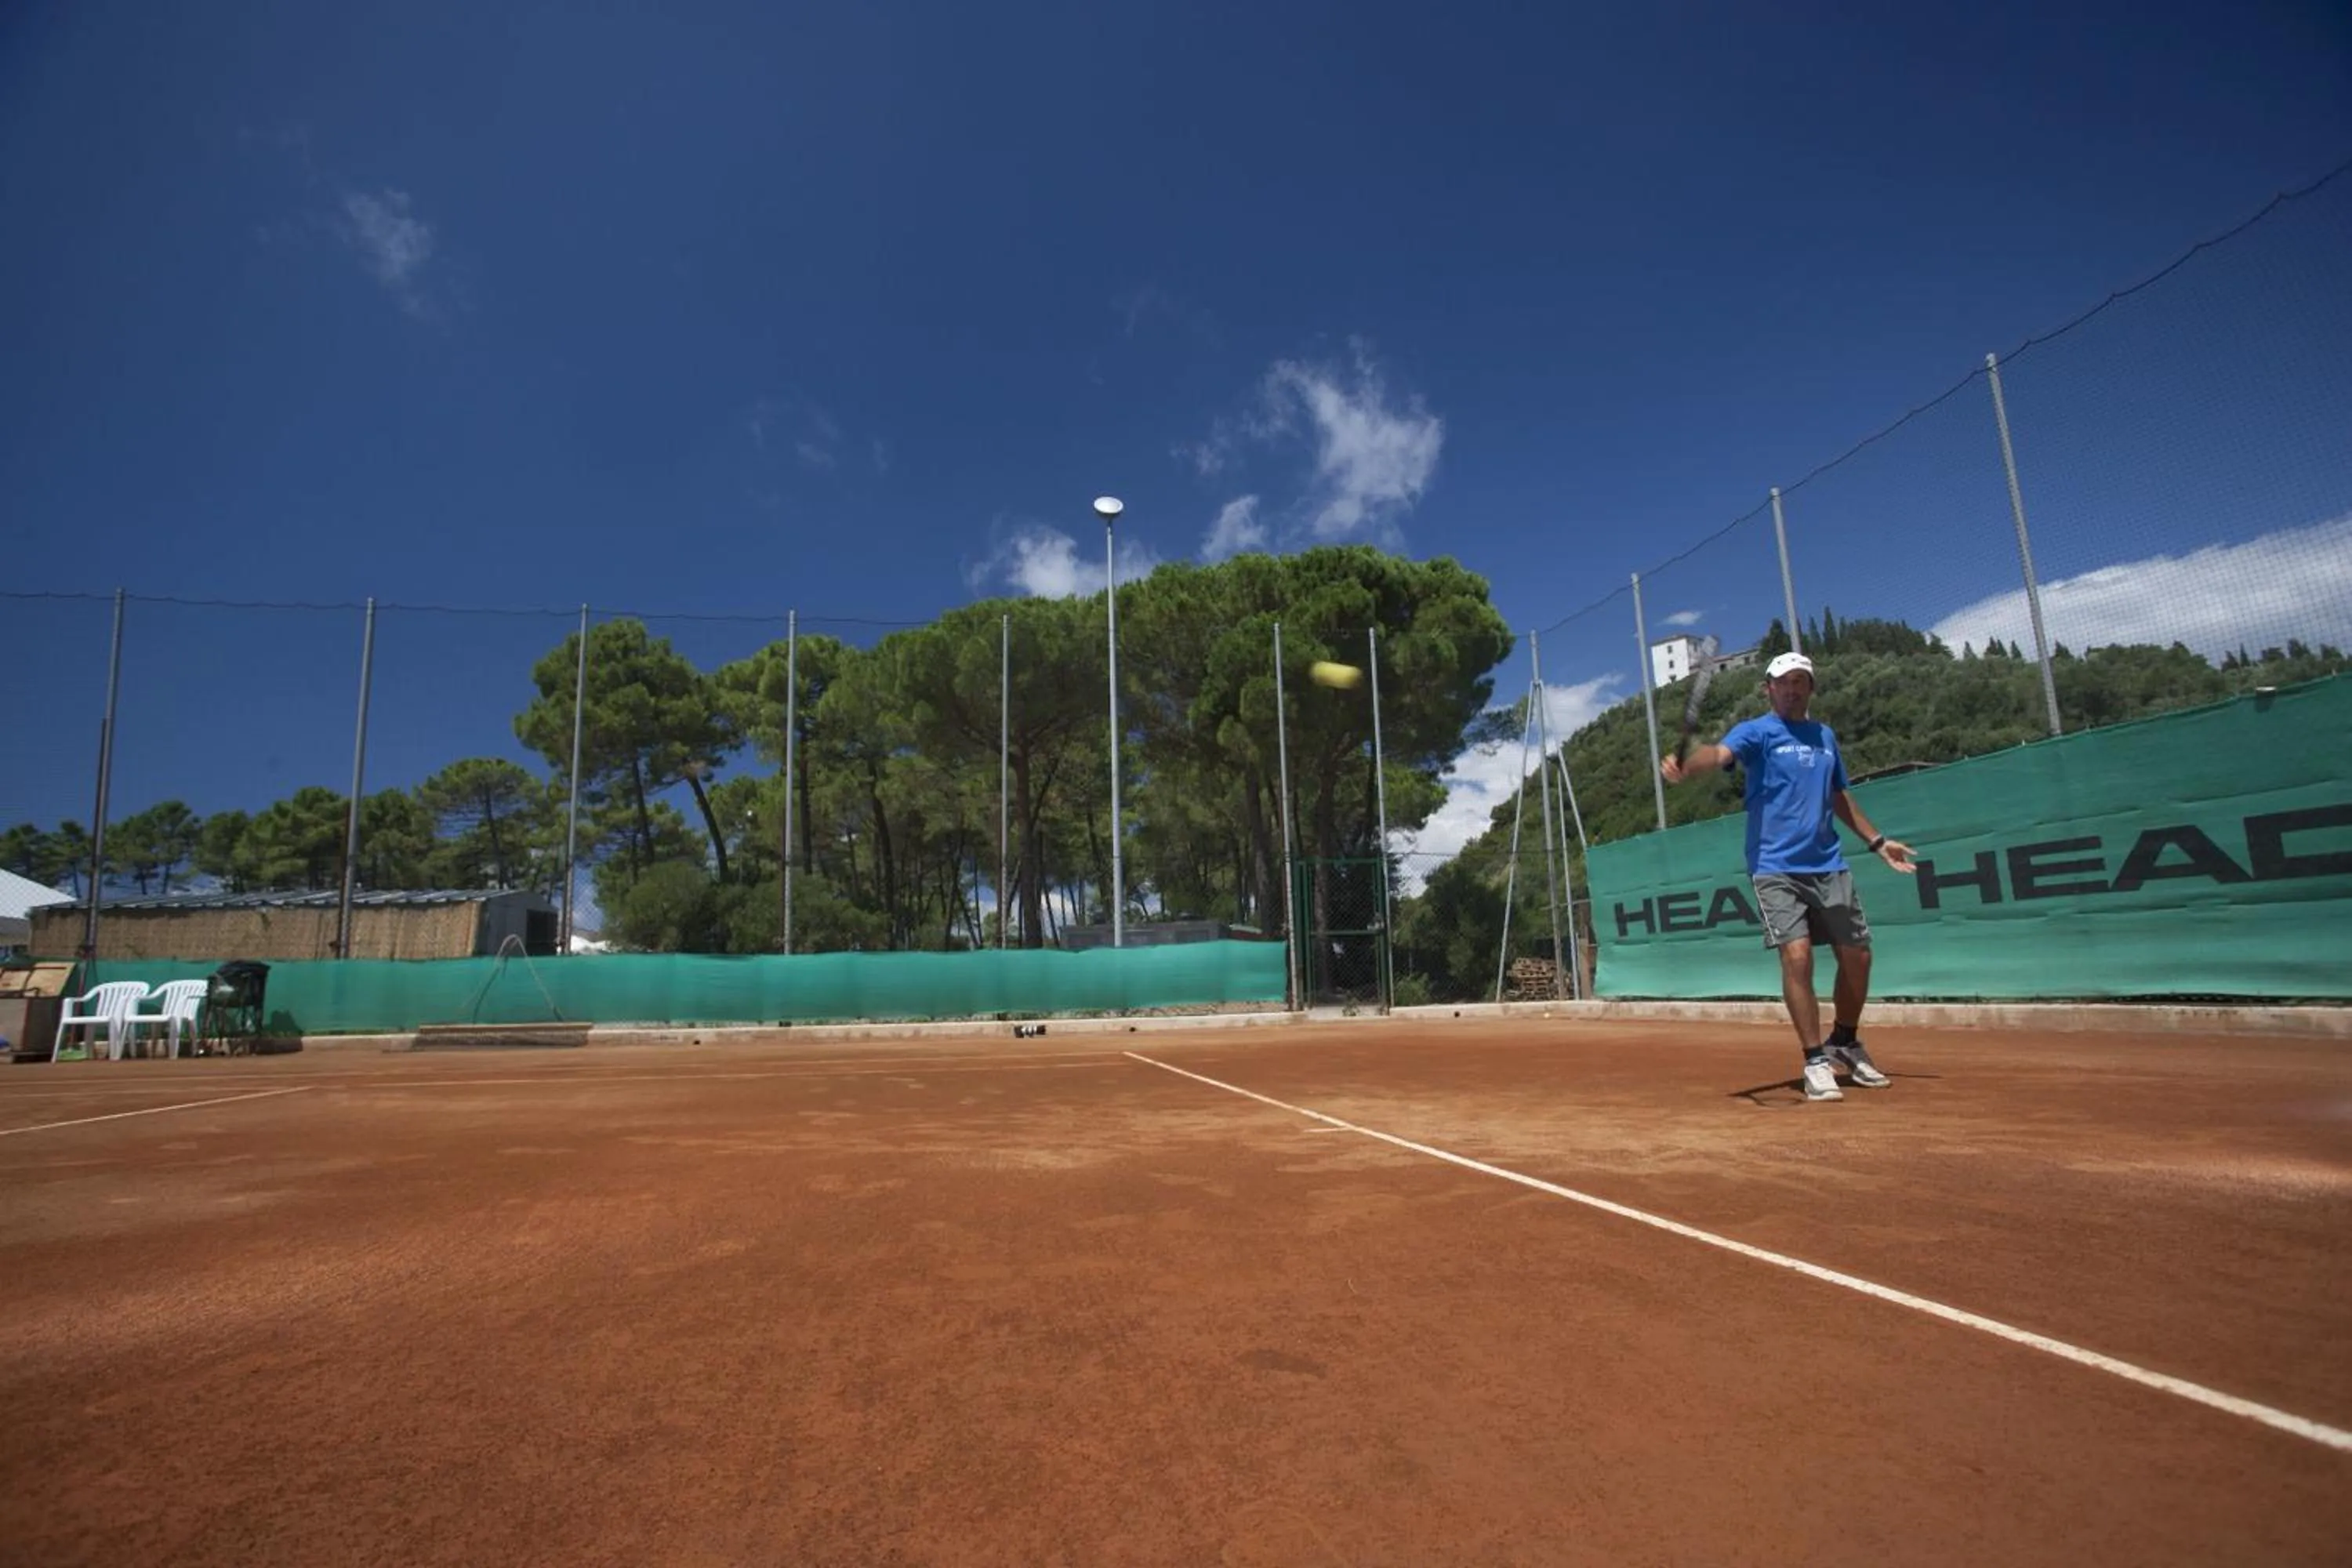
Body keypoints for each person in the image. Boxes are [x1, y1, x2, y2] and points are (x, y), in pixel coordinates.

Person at [1660, 651, 1916, 1102]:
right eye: (1783, 682)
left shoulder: (1824, 737)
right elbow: (1719, 754)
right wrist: (1688, 765)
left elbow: (1838, 795)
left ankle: (1844, 1041)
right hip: (1774, 865)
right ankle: (1815, 1060)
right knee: (1797, 957)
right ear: (1769, 689)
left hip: (1828, 863)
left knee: (1858, 956)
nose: (1792, 690)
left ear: (1810, 688)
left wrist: (1877, 842)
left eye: (1800, 682)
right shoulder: (1757, 732)